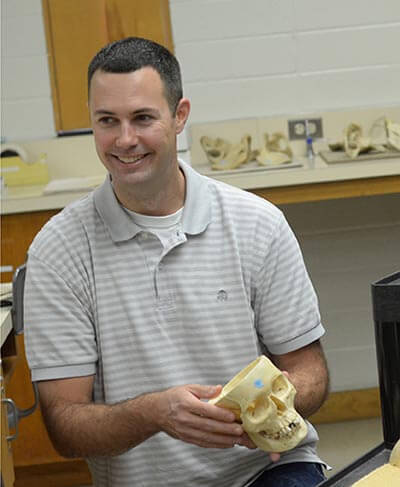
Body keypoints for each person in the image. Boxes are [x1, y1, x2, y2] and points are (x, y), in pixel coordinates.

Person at [24, 37, 329, 487]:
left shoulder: (257, 223)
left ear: (180, 115)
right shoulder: (58, 250)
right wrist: (155, 413)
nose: (125, 140)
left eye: (143, 118)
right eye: (108, 121)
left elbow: (312, 374)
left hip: (267, 471)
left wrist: (265, 407)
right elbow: (65, 428)